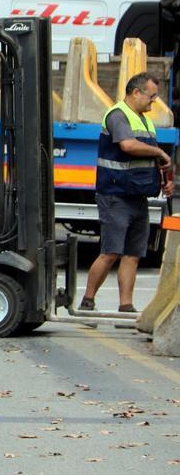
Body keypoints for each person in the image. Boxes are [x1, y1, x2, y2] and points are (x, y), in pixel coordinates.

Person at [79, 73, 174, 312]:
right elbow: (128, 146)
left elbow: (147, 157)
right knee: (110, 252)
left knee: (132, 254)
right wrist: (160, 153)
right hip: (115, 195)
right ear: (136, 93)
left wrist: (164, 180)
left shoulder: (144, 120)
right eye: (151, 97)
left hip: (137, 196)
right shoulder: (118, 115)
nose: (153, 102)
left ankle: (126, 305)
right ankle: (88, 300)